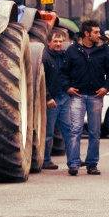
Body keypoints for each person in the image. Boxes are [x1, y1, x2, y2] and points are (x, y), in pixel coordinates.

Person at [61, 19, 109, 176]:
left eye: (98, 32)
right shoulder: (72, 50)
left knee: (94, 131)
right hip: (77, 96)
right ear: (86, 33)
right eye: (95, 32)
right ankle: (73, 164)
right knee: (75, 130)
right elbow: (63, 72)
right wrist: (67, 88)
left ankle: (92, 164)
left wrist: (106, 87)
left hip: (95, 95)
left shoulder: (105, 50)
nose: (98, 35)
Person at [41, 28, 73, 170]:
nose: (59, 44)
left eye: (61, 41)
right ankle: (46, 160)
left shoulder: (63, 56)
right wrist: (48, 98)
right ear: (48, 43)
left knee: (68, 131)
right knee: (48, 133)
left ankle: (74, 160)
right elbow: (42, 81)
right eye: (55, 41)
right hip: (52, 101)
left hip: (64, 98)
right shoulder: (45, 58)